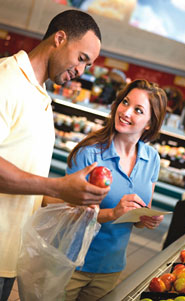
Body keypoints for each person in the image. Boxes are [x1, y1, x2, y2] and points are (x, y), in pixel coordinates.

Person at [0, 9, 110, 301]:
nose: (82, 71)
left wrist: (71, 199)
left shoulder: (41, 96)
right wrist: (58, 186)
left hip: (8, 256)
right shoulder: (6, 80)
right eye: (82, 59)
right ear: (60, 38)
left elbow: (26, 181)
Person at [63, 79, 168, 300]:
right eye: (125, 102)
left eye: (138, 110)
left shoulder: (152, 159)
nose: (126, 112)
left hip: (111, 268)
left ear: (150, 123)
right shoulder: (89, 154)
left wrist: (145, 219)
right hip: (71, 262)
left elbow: (137, 216)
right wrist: (113, 213)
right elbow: (66, 212)